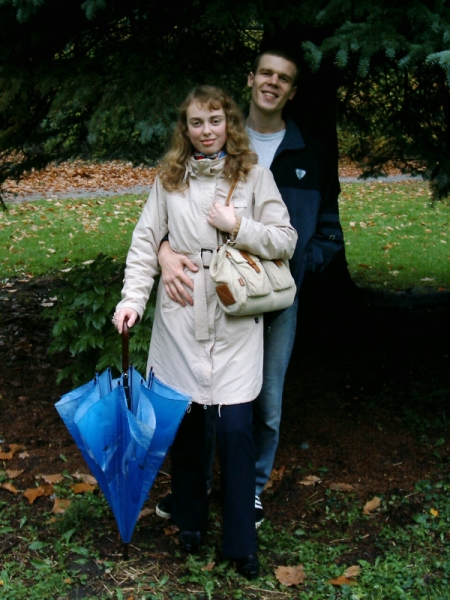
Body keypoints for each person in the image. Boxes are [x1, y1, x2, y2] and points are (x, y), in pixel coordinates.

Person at [113, 85, 297, 579]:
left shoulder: (254, 176)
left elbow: (285, 240)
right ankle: (190, 524)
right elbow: (145, 242)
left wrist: (237, 225)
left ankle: (241, 542)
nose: (206, 130)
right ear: (186, 128)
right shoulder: (169, 179)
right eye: (197, 122)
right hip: (181, 314)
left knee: (236, 429)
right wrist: (132, 301)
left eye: (215, 120)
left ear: (229, 123)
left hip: (235, 317)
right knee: (189, 424)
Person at [156, 50, 344, 526]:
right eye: (265, 73)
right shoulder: (217, 134)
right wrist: (163, 251)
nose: (272, 83)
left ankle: (250, 490)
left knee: (265, 400)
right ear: (251, 79)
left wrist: (296, 270)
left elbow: (326, 230)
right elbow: (173, 213)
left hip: (274, 296)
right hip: (215, 294)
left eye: (283, 78)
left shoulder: (309, 152)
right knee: (205, 389)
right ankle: (198, 486)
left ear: (292, 91)